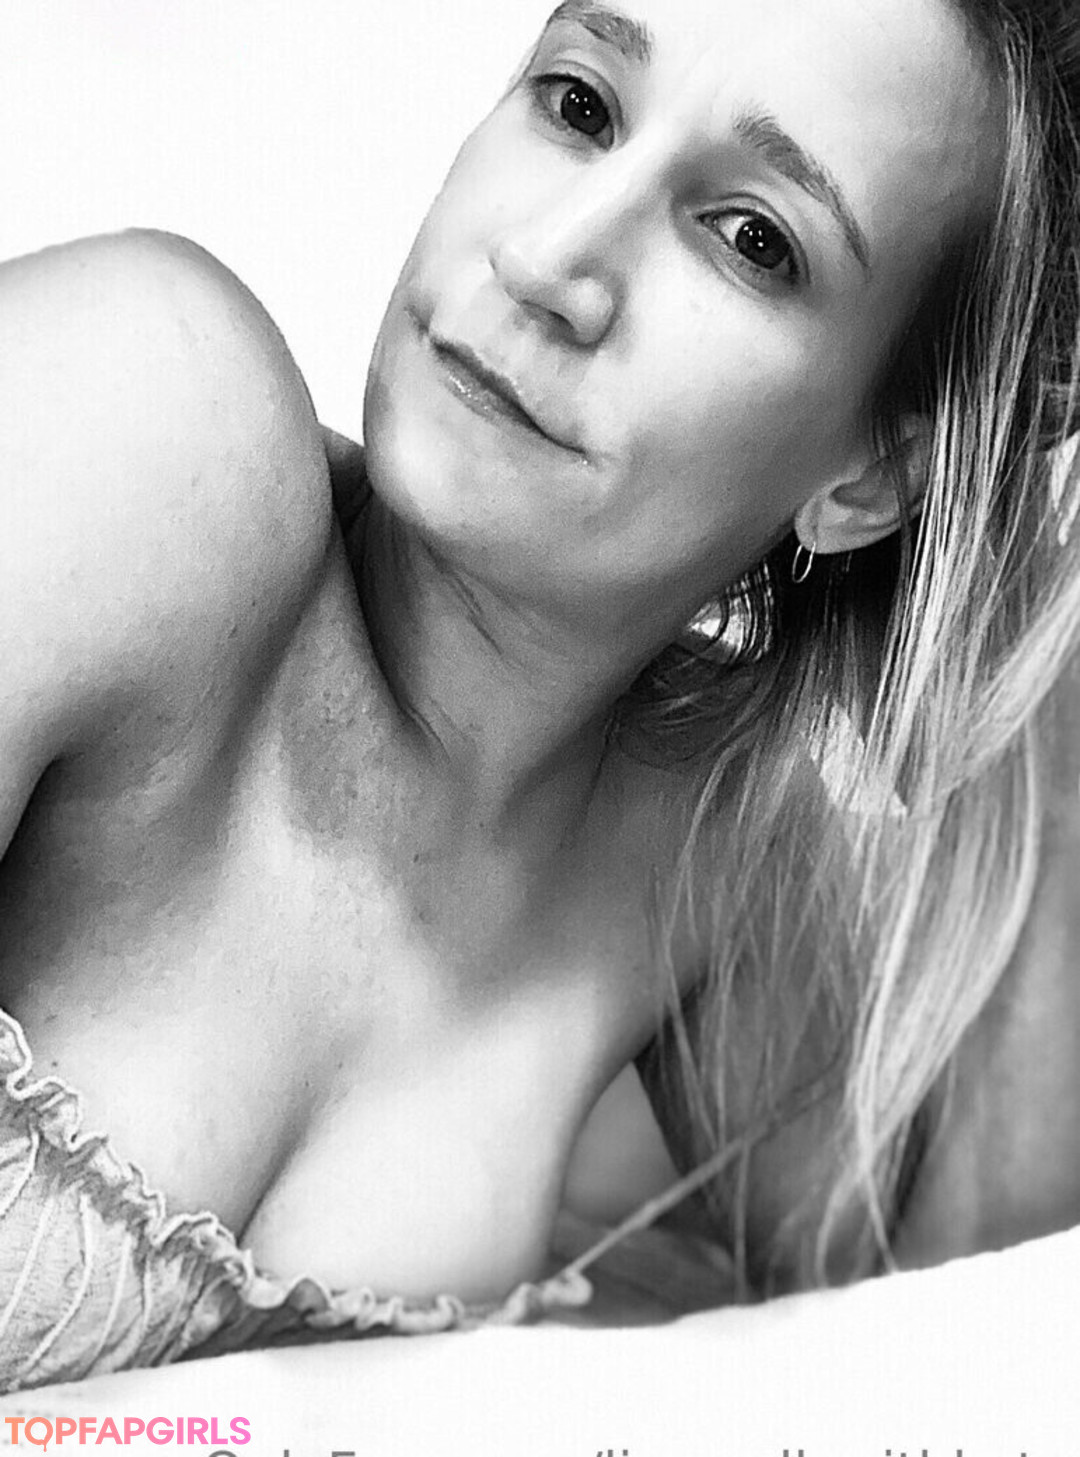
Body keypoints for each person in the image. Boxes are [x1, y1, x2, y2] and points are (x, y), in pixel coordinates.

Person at [1, 0, 1078, 1394]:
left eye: (752, 238)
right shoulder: (136, 417)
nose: (548, 258)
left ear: (871, 479)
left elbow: (990, 1307)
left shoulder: (705, 862)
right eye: (578, 104)